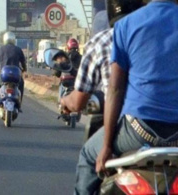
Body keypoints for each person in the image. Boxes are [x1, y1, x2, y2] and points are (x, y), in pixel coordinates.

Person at [70, 0, 178, 194]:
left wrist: (106, 146)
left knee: (87, 155)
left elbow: (115, 90)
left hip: (138, 131)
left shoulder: (127, 25)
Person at [0, 31, 27, 110]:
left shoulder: (0, 49)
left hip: (4, 75)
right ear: (13, 40)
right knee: (21, 85)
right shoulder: (18, 49)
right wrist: (24, 69)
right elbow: (23, 63)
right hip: (15, 76)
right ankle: (19, 104)